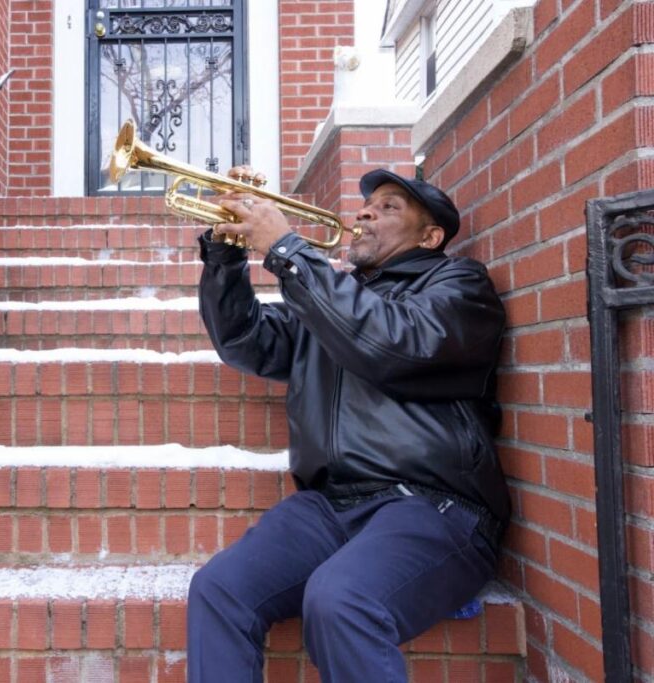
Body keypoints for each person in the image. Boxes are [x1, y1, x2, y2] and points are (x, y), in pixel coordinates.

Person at [187, 168, 511, 682]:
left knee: (340, 600)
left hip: (433, 505)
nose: (364, 212)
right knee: (218, 589)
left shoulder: (458, 284)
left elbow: (393, 345)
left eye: (389, 207)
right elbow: (245, 341)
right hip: (330, 505)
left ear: (430, 237)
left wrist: (289, 252)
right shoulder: (330, 297)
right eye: (367, 205)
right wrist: (225, 253)